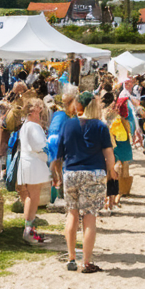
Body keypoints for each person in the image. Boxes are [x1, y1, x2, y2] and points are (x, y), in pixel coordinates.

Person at [51, 92, 116, 274]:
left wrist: (57, 173)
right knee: (89, 217)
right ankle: (86, 262)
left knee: (71, 214)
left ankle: (71, 258)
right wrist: (112, 171)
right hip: (94, 174)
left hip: (71, 173)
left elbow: (59, 153)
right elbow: (109, 154)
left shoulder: (67, 124)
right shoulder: (100, 126)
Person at [15, 99, 51, 244]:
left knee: (31, 196)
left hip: (28, 163)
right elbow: (39, 146)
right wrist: (50, 146)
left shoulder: (26, 125)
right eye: (38, 110)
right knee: (33, 197)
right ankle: (28, 230)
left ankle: (30, 228)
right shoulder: (33, 126)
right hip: (33, 163)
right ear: (33, 111)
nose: (40, 114)